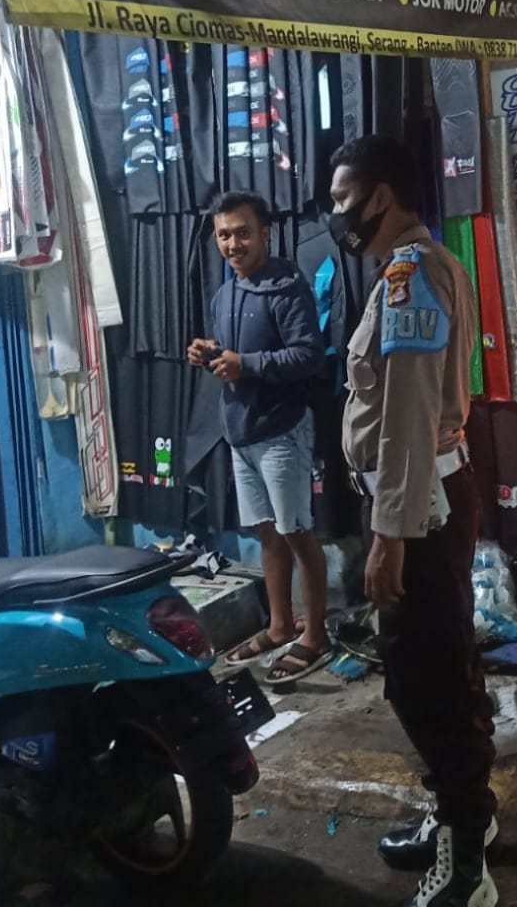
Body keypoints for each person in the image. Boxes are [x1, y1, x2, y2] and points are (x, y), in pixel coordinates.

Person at [329, 135, 499, 907]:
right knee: (437, 666)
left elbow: (406, 415)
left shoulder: (409, 276)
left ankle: (466, 870)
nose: (339, 214)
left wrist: (388, 536)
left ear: (383, 197)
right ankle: (465, 815)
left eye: (344, 199)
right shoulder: (424, 267)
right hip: (424, 497)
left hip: (418, 507)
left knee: (425, 682)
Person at [186, 192, 332, 686]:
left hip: (281, 431)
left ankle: (316, 635)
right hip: (240, 433)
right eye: (224, 235)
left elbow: (309, 356)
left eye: (243, 233)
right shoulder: (225, 294)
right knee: (267, 533)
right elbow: (234, 355)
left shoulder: (287, 287)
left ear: (265, 233)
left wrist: (245, 364)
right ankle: (279, 626)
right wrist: (209, 352)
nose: (233, 244)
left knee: (297, 533)